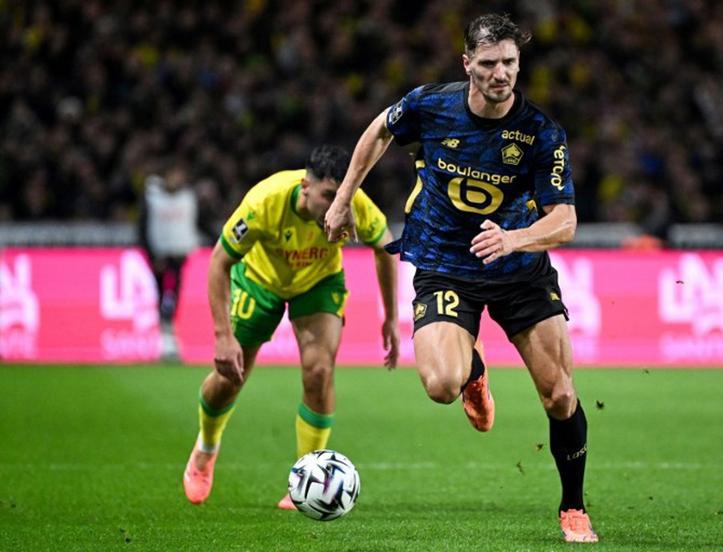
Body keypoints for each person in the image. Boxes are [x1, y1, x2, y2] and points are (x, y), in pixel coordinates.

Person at [325, 14, 598, 543]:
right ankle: (472, 369)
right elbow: (380, 130)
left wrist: (514, 239)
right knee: (440, 385)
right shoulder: (432, 104)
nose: (502, 75)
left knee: (561, 396)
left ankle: (573, 507)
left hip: (517, 269)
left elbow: (565, 221)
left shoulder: (541, 133)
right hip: (446, 259)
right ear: (467, 63)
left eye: (511, 64)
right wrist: (342, 198)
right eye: (491, 63)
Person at [183, 145, 399, 508]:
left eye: (342, 196)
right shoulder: (264, 202)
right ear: (305, 188)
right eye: (329, 196)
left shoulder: (353, 201)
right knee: (230, 377)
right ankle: (206, 448)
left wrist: (391, 317)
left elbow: (386, 248)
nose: (338, 207)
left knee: (318, 372)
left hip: (318, 284)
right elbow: (219, 262)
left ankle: (306, 475)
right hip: (259, 281)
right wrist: (223, 336)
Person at [139, 161, 201, 361]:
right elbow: (143, 229)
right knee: (164, 296)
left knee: (172, 296)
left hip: (178, 256)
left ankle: (169, 339)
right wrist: (151, 254)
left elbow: (197, 222)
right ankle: (166, 340)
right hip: (159, 256)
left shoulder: (188, 198)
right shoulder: (152, 198)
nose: (177, 180)